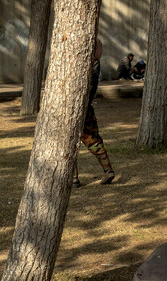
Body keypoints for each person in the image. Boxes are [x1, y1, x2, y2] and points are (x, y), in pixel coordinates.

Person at [72, 37, 115, 186]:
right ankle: (108, 170)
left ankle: (74, 178)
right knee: (94, 141)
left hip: (74, 109)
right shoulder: (94, 64)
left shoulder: (87, 64)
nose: (101, 51)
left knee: (69, 143)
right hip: (86, 109)